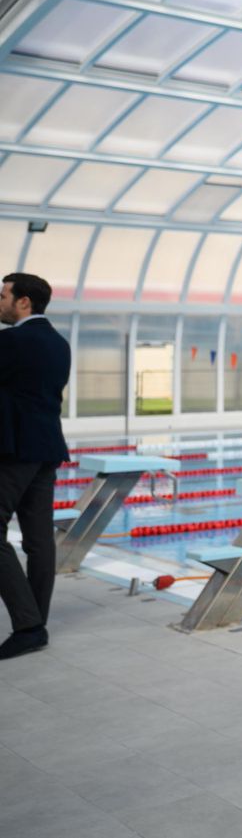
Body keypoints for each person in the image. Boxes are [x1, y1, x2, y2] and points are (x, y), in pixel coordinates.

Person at [0, 272, 71, 660]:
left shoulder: (13, 341)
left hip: (16, 451)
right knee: (39, 539)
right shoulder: (59, 343)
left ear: (23, 301)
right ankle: (35, 623)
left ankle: (28, 626)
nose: (0, 303)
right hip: (48, 449)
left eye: (3, 296)